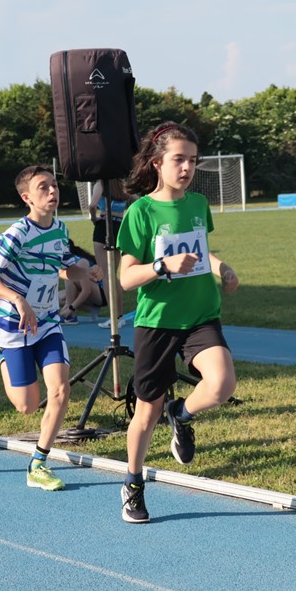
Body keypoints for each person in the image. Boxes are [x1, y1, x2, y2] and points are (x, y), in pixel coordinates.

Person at [115, 121, 239, 524]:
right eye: (179, 159)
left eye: (193, 161)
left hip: (201, 314)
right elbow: (125, 277)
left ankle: (181, 413)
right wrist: (162, 265)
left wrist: (221, 267)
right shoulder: (141, 211)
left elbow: (202, 251)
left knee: (221, 384)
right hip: (158, 322)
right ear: (157, 163)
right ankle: (133, 482)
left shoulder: (198, 204)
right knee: (145, 414)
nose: (187, 168)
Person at [0, 165, 103, 491]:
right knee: (27, 405)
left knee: (60, 390)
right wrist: (18, 299)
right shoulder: (15, 235)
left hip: (48, 323)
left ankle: (39, 463)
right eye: (43, 187)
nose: (52, 191)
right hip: (14, 324)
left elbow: (63, 268)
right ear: (26, 197)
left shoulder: (59, 229)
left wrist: (86, 272)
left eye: (54, 185)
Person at [88, 178, 129, 328]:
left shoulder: (101, 183)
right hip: (120, 226)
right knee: (113, 275)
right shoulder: (122, 183)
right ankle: (119, 316)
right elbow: (137, 200)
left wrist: (94, 218)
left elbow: (92, 205)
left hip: (104, 226)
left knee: (105, 275)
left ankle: (114, 318)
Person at [59, 239, 107, 324]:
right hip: (92, 290)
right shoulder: (69, 264)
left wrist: (70, 308)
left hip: (102, 293)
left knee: (70, 278)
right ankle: (92, 309)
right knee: (57, 298)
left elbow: (86, 291)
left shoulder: (81, 262)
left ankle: (71, 316)